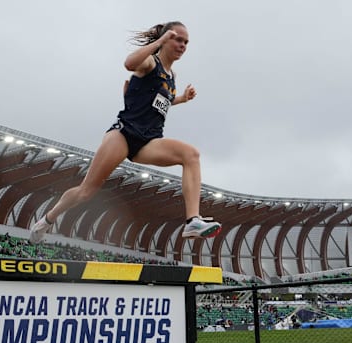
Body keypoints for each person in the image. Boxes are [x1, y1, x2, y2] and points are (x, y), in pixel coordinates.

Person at [30, 21, 220, 243]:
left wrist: (181, 99)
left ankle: (192, 221)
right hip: (124, 134)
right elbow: (129, 64)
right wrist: (158, 42)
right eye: (178, 39)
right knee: (86, 192)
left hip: (149, 140)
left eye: (186, 42)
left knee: (191, 155)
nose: (183, 45)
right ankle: (47, 220)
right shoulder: (150, 62)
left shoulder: (171, 76)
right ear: (166, 38)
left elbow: (159, 101)